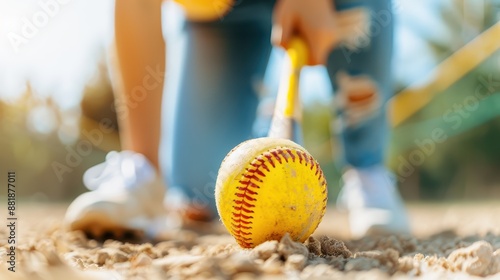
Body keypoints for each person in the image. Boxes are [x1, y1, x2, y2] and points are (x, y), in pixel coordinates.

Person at [65, 0, 409, 240]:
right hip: (224, 13)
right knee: (198, 193)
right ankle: (262, 125)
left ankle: (368, 173)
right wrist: (144, 165)